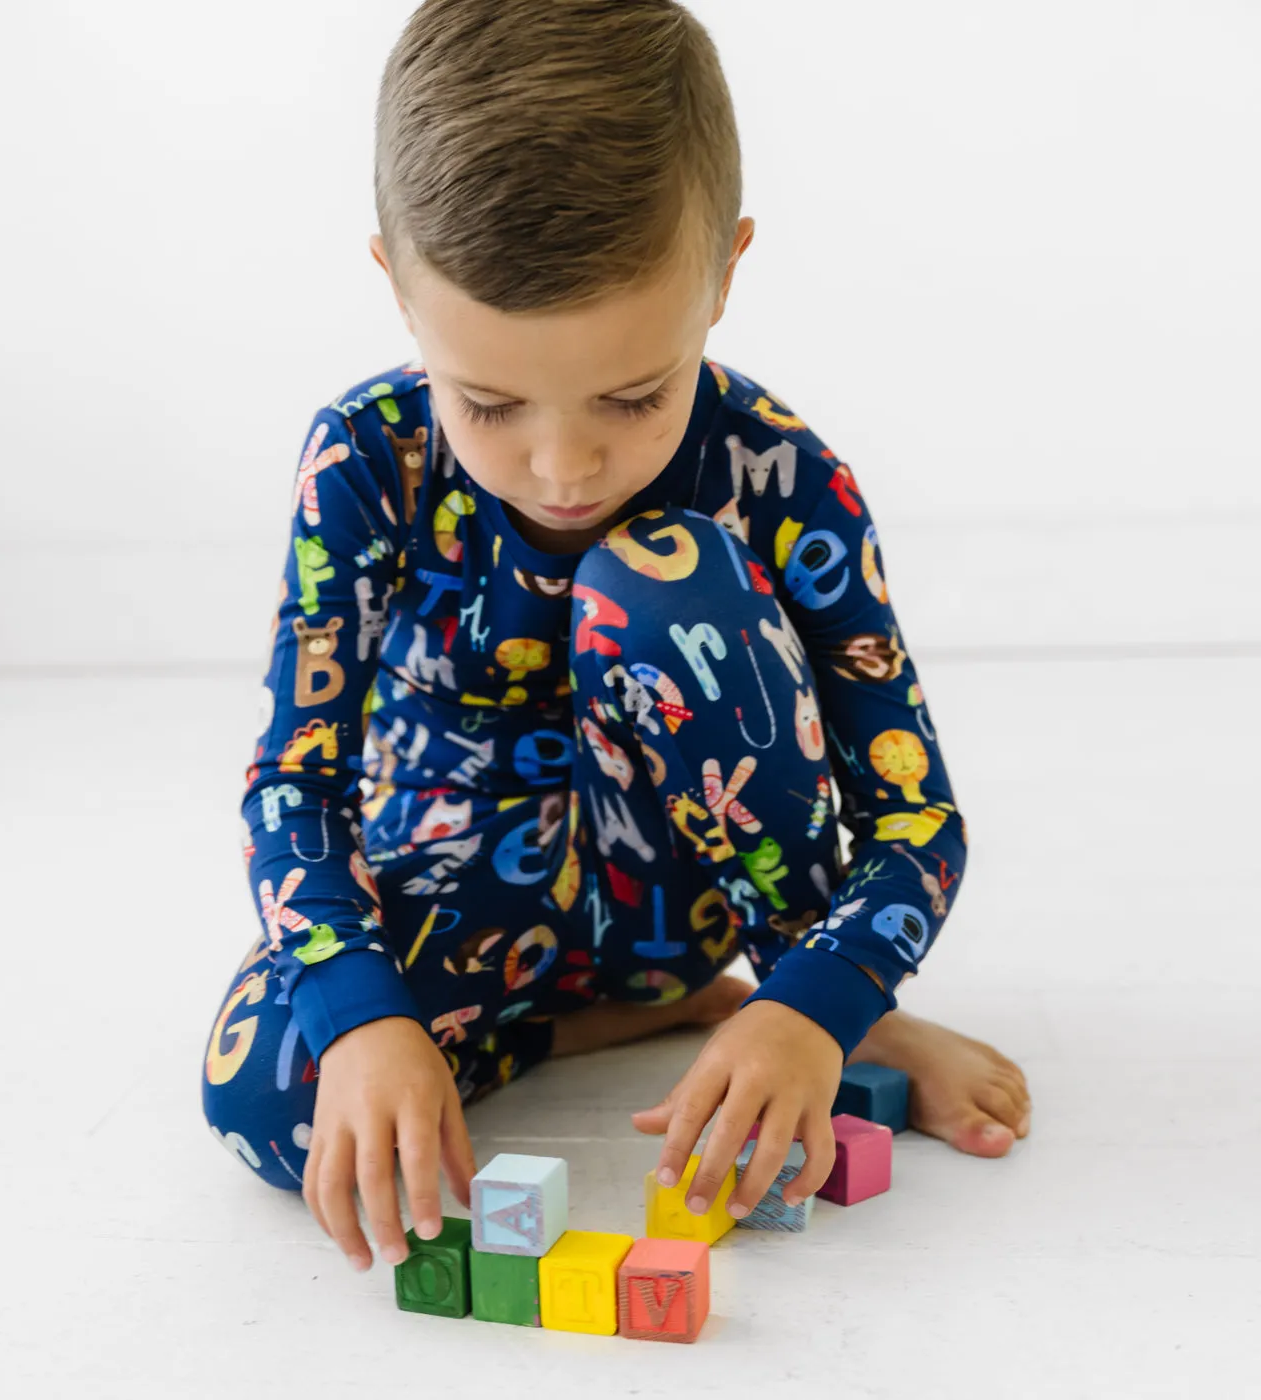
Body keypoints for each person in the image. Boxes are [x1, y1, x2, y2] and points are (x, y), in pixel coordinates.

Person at [202, 0, 1031, 1274]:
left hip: (694, 893)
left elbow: (918, 818)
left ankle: (794, 1009)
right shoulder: (363, 459)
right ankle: (628, 1020)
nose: (563, 463)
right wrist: (365, 1016)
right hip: (470, 897)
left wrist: (821, 1002)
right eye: (485, 402)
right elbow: (292, 782)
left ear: (725, 276)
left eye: (634, 395)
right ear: (397, 290)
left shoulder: (783, 477)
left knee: (666, 577)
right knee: (266, 1091)